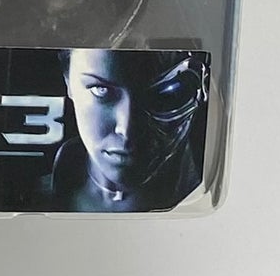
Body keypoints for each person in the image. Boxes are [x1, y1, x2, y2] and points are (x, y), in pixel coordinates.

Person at [46, 48, 208, 210]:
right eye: (101, 90)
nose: (127, 129)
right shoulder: (44, 191)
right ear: (68, 83)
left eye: (163, 94)